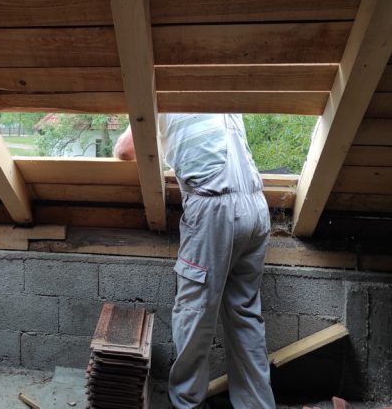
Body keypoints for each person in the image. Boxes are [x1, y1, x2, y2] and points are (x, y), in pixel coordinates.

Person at [114, 114, 275, 409]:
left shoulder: (162, 97)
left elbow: (125, 150)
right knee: (245, 314)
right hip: (256, 206)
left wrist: (145, 126)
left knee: (194, 312)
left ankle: (186, 404)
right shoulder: (217, 90)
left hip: (215, 209)